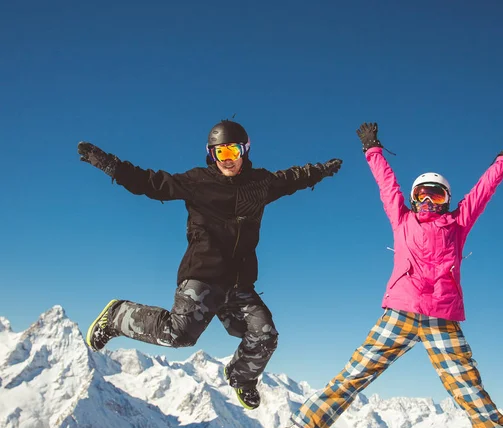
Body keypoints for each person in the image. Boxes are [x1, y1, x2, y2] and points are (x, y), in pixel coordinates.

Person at [271, 123, 503, 428]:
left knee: (472, 394)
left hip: (442, 319)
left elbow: (483, 191)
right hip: (401, 312)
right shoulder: (402, 219)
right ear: (412, 197)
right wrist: (372, 148)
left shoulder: (458, 224)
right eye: (421, 194)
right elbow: (385, 183)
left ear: (448, 200)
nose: (427, 201)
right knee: (355, 372)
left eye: (436, 196)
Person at [79, 120, 342, 410]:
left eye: (233, 151)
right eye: (220, 153)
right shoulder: (197, 182)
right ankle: (118, 315)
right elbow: (151, 183)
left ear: (245, 151)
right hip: (203, 275)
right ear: (211, 154)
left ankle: (241, 377)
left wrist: (320, 171)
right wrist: (112, 165)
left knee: (265, 335)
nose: (227, 160)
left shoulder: (260, 184)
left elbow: (292, 178)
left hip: (239, 283)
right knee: (179, 335)